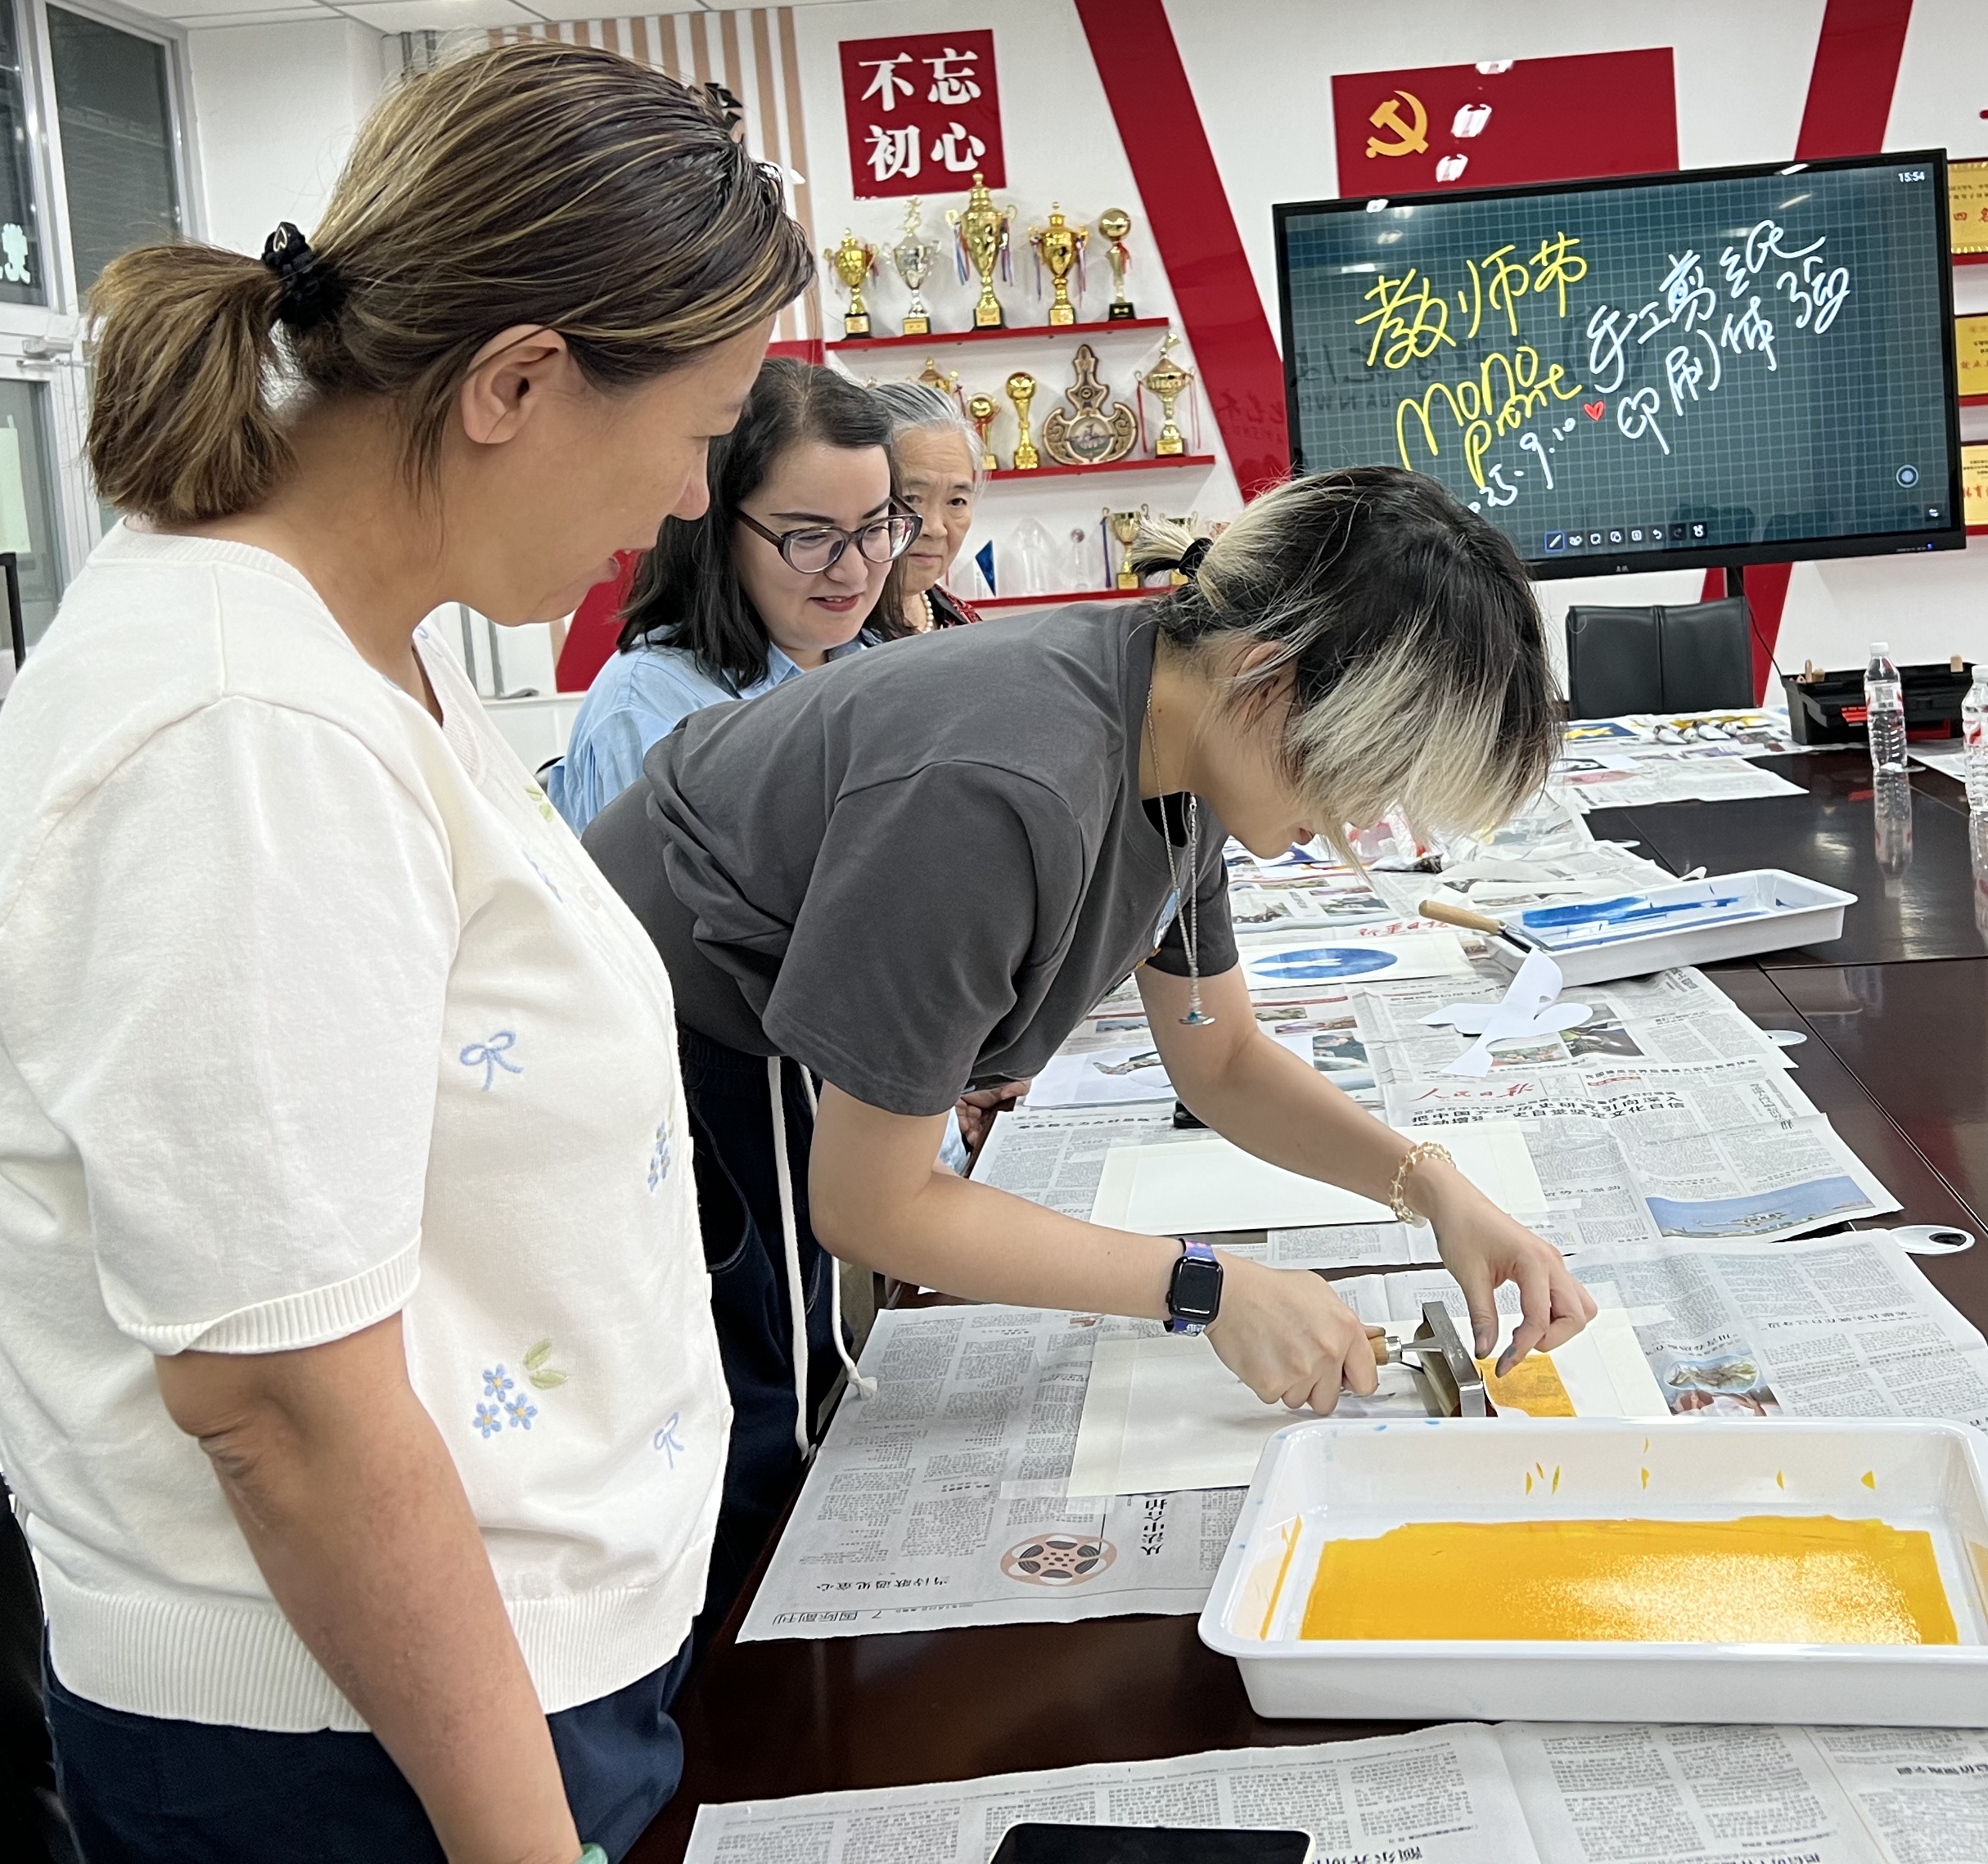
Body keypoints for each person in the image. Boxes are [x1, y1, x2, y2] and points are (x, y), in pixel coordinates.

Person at [0, 43, 811, 1864]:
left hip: (470, 1682)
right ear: (518, 382)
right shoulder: (241, 729)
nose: (683, 500)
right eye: (696, 432)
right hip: (363, 1743)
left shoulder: (348, 642)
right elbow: (282, 1405)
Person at [584, 466, 1597, 1611]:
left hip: (762, 1048)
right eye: (1375, 772)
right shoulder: (1004, 787)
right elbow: (873, 1207)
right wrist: (1206, 1286)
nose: (1364, 821)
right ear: (1269, 681)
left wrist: (1434, 1186)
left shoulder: (1180, 731)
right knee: (734, 1481)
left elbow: (1219, 1057)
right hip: (666, 1063)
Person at [548, 360, 913, 831]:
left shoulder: (884, 663)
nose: (854, 571)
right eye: (810, 537)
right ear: (717, 532)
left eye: (875, 527)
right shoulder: (650, 707)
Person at [861, 377, 985, 636]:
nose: (935, 529)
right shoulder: (824, 641)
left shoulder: (964, 622)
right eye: (911, 498)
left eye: (956, 502)